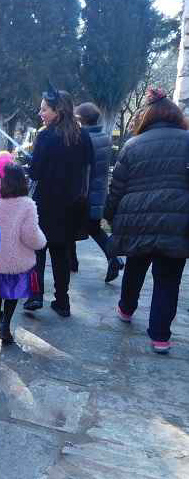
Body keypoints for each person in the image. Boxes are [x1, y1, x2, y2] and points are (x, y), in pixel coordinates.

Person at [105, 89, 189, 354]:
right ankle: (160, 336)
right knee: (168, 278)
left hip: (137, 218)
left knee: (136, 265)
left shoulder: (133, 144)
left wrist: (110, 213)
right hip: (178, 218)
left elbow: (117, 186)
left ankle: (126, 308)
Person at [24, 85, 93, 317]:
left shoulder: (45, 136)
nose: (40, 113)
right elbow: (88, 168)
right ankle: (62, 301)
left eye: (44, 109)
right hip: (72, 205)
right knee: (61, 254)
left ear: (57, 110)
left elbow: (35, 173)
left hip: (46, 203)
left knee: (38, 250)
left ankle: (35, 296)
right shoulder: (83, 136)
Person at [0, 164, 46, 344]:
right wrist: (41, 241)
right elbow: (31, 235)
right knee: (12, 294)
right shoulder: (27, 205)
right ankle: (6, 324)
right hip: (17, 260)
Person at [68, 102, 125, 282]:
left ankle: (74, 263)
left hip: (84, 193)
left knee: (69, 228)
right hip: (98, 192)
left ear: (80, 119)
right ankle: (111, 258)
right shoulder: (104, 138)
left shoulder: (85, 139)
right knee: (94, 229)